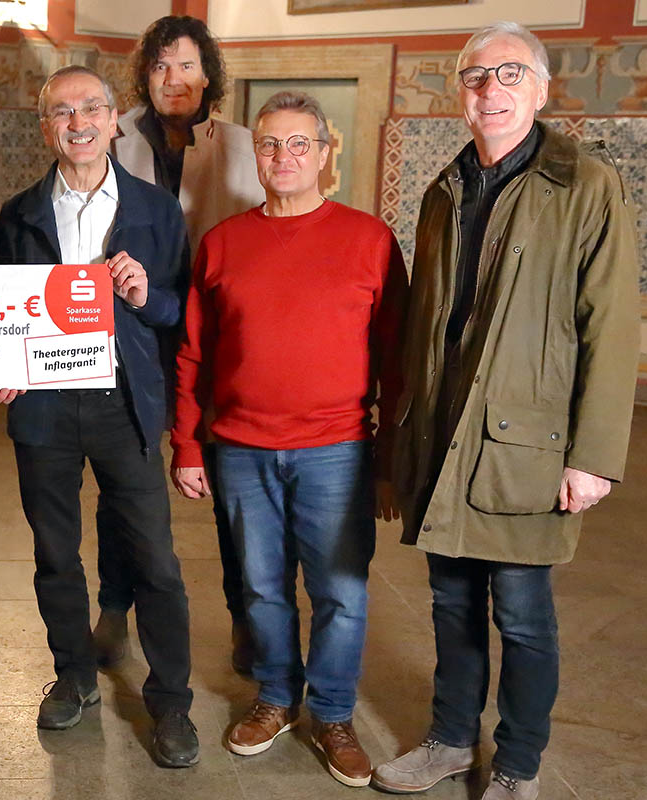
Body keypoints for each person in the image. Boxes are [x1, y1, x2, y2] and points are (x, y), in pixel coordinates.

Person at [372, 22, 640, 800]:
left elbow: (611, 326)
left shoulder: (586, 185)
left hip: (527, 442)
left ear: (543, 89)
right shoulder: (442, 189)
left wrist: (593, 457)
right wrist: (401, 443)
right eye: (476, 76)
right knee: (451, 604)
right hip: (447, 436)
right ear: (460, 92)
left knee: (522, 616)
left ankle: (518, 764)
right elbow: (426, 324)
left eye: (510, 74)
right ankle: (452, 739)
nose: (490, 90)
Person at [170, 90, 406, 786]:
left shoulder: (370, 241)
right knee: (263, 589)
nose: (284, 156)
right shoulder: (221, 243)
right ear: (256, 153)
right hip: (240, 448)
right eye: (271, 143)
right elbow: (192, 355)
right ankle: (275, 698)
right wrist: (187, 444)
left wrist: (389, 461)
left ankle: (332, 712)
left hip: (338, 449)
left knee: (341, 590)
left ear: (326, 155)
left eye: (301, 143)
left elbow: (396, 359)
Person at [0, 65, 198, 768]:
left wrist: (146, 295)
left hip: (124, 403)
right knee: (55, 553)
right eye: (60, 111)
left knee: (156, 561)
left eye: (90, 109)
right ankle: (73, 673)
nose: (76, 122)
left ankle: (171, 702)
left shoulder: (156, 209)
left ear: (114, 120)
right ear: (45, 125)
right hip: (44, 410)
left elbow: (178, 313)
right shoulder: (18, 214)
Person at [98, 14, 266, 674]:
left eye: (188, 65)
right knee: (125, 482)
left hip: (218, 341)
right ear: (145, 74)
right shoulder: (114, 141)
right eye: (163, 65)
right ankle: (114, 610)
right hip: (134, 335)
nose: (175, 79)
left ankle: (247, 620)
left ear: (209, 76)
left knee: (233, 489)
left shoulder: (244, 145)